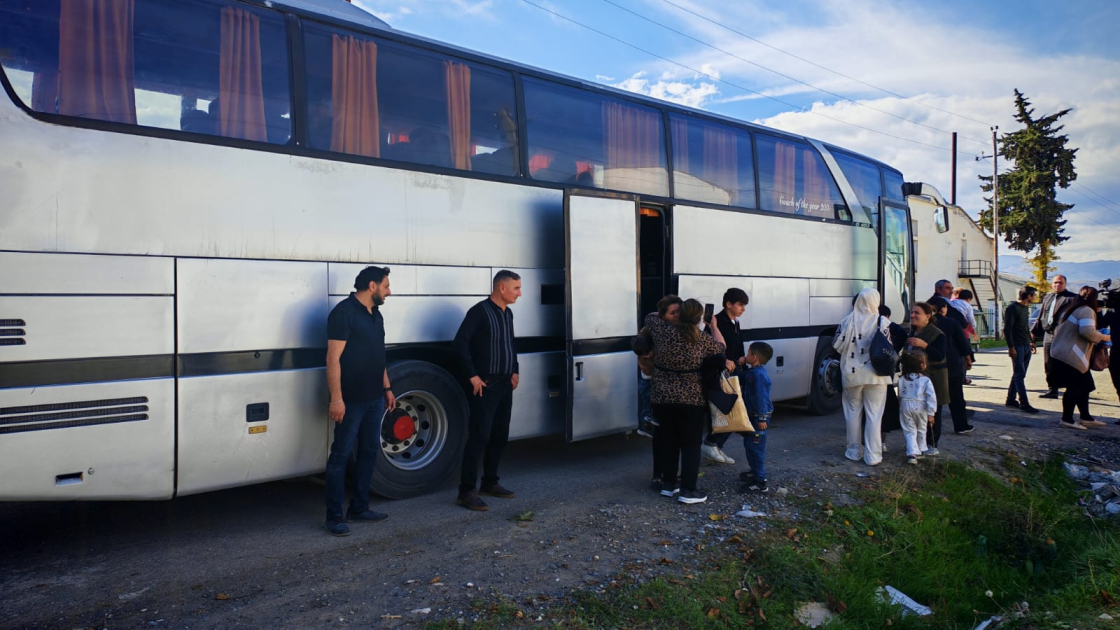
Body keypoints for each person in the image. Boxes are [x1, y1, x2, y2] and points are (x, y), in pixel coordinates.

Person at [324, 265, 395, 536]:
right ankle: (334, 517)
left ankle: (359, 507)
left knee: (368, 452)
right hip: (350, 400)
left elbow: (379, 356)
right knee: (340, 456)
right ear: (372, 286)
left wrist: (387, 388)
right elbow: (332, 359)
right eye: (386, 285)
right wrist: (336, 399)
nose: (390, 291)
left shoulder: (376, 315)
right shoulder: (343, 313)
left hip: (375, 398)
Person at [453, 270, 522, 511]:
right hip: (485, 386)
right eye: (516, 288)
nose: (519, 293)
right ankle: (466, 491)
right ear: (501, 288)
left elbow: (511, 343)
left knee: (500, 435)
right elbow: (460, 342)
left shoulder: (508, 313)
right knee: (479, 436)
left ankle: (490, 483)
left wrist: (515, 370)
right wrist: (472, 376)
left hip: (505, 384)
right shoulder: (479, 312)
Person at [645, 299, 726, 504]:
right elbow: (721, 348)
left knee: (669, 441)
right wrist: (713, 326)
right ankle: (689, 491)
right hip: (690, 399)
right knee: (690, 445)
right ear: (699, 318)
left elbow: (651, 316)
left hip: (662, 397)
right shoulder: (702, 339)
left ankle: (669, 484)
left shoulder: (662, 332)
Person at [833, 288, 893, 465]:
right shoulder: (882, 322)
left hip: (851, 374)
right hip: (876, 375)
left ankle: (853, 451)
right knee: (874, 415)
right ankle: (873, 455)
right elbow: (888, 347)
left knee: (852, 413)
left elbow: (836, 344)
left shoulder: (846, 321)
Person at [635, 295, 682, 489]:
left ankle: (671, 474)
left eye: (679, 311)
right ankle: (658, 475)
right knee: (661, 434)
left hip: (673, 389)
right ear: (662, 315)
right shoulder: (650, 330)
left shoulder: (681, 329)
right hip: (658, 387)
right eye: (673, 313)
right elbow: (640, 349)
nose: (677, 316)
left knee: (673, 435)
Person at [1049, 286, 1111, 430]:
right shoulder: (1086, 311)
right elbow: (1087, 331)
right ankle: (1067, 419)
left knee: (1086, 385)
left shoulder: (1073, 308)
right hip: (1070, 354)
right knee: (1077, 387)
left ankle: (1085, 417)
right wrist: (1104, 337)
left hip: (1062, 352)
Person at [702, 288, 749, 465]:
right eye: (741, 305)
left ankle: (714, 445)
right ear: (728, 304)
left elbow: (737, 345)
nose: (743, 309)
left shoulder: (734, 321)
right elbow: (714, 349)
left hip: (734, 369)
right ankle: (712, 443)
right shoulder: (717, 323)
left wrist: (740, 362)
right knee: (729, 409)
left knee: (731, 409)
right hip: (721, 372)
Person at [928, 296, 976, 433]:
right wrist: (968, 358)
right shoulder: (951, 322)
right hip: (952, 363)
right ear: (943, 308)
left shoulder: (926, 324)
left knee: (934, 397)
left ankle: (932, 428)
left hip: (932, 364)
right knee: (956, 396)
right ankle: (961, 425)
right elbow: (963, 342)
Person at [907, 302, 948, 456]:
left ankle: (932, 444)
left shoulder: (936, 334)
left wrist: (924, 345)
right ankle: (918, 444)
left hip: (934, 378)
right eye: (912, 312)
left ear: (927, 317)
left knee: (932, 411)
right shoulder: (912, 332)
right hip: (915, 379)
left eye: (917, 313)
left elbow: (940, 355)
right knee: (915, 411)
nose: (913, 316)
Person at [1034, 275, 1079, 399]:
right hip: (1048, 334)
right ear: (1051, 284)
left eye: (1060, 283)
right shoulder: (1048, 297)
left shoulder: (1072, 298)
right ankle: (1052, 389)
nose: (1057, 285)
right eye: (1055, 282)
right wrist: (1034, 332)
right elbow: (1042, 315)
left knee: (1064, 362)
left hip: (1063, 335)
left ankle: (1069, 388)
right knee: (1049, 362)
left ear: (1065, 284)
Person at [738, 342, 773, 493]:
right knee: (750, 445)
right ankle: (754, 471)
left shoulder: (758, 375)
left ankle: (760, 481)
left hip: (757, 417)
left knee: (755, 447)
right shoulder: (754, 372)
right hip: (752, 415)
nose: (745, 356)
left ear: (754, 357)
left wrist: (762, 418)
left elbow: (761, 398)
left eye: (747, 353)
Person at [1004, 286, 1040, 414]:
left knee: (1019, 374)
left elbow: (1025, 327)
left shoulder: (1025, 308)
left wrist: (1031, 342)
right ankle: (1024, 402)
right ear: (1028, 296)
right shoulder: (1012, 308)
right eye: (1033, 295)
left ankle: (1010, 399)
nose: (1034, 298)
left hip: (1025, 344)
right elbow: (1008, 329)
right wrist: (1011, 347)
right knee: (1019, 375)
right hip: (1017, 345)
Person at [897, 350, 937, 465]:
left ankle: (912, 453)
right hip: (920, 405)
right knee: (921, 428)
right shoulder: (925, 380)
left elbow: (899, 394)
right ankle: (921, 449)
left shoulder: (902, 379)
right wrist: (931, 413)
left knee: (909, 430)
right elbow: (931, 397)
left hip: (905, 404)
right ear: (922, 365)